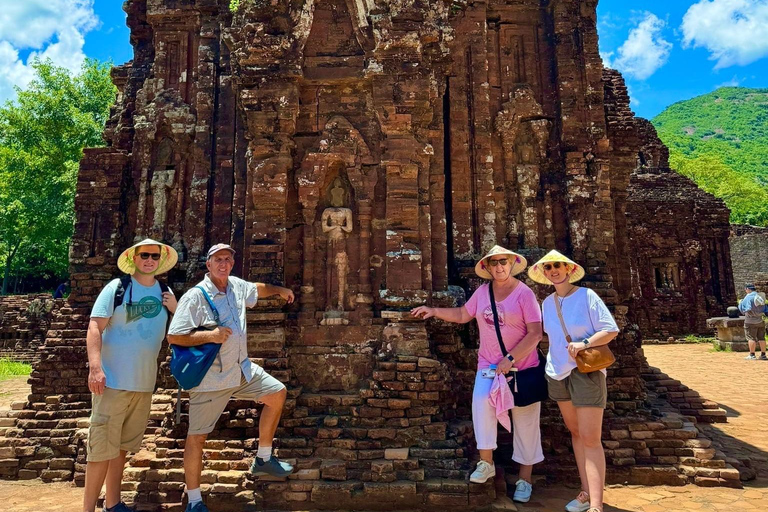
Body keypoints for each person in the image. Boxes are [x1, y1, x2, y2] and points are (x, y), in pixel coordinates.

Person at [168, 243, 295, 512]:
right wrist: (210, 336)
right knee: (197, 437)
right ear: (208, 264)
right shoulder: (195, 296)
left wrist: (278, 291)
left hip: (240, 371)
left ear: (232, 264)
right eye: (218, 260)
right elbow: (174, 335)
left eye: (227, 259)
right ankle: (194, 501)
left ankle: (262, 459)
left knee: (277, 393)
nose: (223, 264)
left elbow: (256, 289)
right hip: (211, 378)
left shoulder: (236, 286)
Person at [411, 245, 544, 503]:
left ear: (511, 263)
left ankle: (525, 479)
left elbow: (536, 333)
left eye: (503, 262)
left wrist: (511, 358)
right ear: (488, 267)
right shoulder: (483, 292)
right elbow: (463, 314)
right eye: (494, 263)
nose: (499, 267)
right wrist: (434, 311)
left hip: (523, 368)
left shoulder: (524, 294)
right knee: (482, 404)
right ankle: (487, 463)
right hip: (489, 366)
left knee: (526, 422)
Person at [83, 239, 178, 512]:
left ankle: (113, 503)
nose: (150, 260)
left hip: (143, 384)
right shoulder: (117, 288)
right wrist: (96, 368)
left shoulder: (165, 292)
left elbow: (184, 330)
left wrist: (176, 307)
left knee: (121, 448)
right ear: (134, 259)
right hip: (112, 382)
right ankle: (87, 509)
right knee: (101, 449)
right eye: (145, 255)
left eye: (154, 256)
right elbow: (94, 327)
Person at [528, 250, 619, 512]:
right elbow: (545, 336)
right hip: (557, 373)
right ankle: (586, 493)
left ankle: (597, 506)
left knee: (591, 437)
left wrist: (585, 343)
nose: (553, 270)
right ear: (544, 273)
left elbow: (610, 329)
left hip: (586, 371)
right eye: (548, 267)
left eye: (558, 265)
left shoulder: (587, 296)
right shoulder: (547, 303)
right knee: (577, 433)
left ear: (569, 269)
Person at [738, 283, 767, 360]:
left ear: (748, 289)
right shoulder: (760, 296)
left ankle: (752, 355)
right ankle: (763, 355)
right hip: (760, 320)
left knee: (751, 338)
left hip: (750, 321)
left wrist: (740, 303)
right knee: (762, 338)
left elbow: (743, 310)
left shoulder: (748, 297)